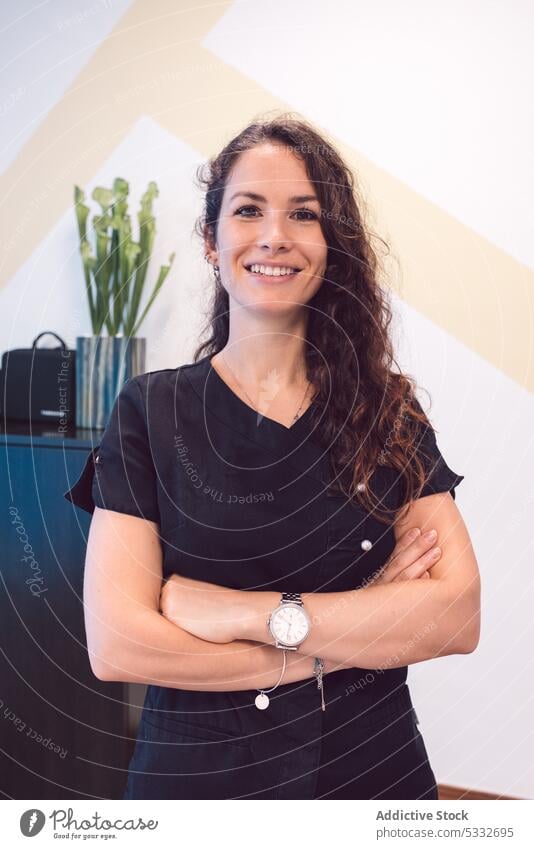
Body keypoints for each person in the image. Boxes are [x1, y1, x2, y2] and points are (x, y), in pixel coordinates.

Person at [64, 114, 481, 800]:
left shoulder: (388, 413)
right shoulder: (149, 412)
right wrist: (361, 619)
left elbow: (456, 614)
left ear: (330, 244)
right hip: (199, 786)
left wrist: (241, 614)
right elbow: (119, 646)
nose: (274, 236)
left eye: (303, 214)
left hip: (368, 776)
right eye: (248, 209)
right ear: (211, 239)